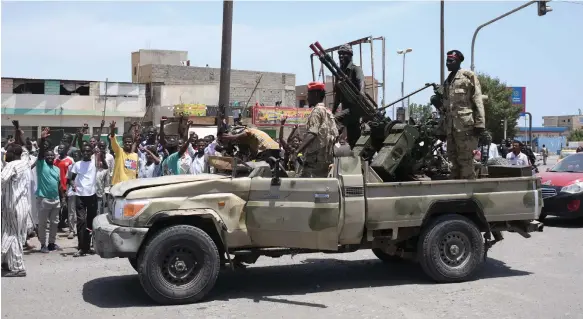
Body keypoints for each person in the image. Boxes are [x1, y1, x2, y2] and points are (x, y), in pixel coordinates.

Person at [441, 49, 485, 180]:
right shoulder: (447, 81)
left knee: (465, 160)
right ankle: (456, 190)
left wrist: (480, 123)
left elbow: (477, 99)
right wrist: (441, 128)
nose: (448, 63)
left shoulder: (467, 76)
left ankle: (468, 191)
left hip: (465, 127)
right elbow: (445, 108)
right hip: (451, 128)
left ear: (458, 61)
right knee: (452, 160)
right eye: (447, 61)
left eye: (451, 61)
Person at [295, 81, 339, 177]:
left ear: (315, 94)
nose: (307, 97)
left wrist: (297, 151)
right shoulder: (328, 112)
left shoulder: (316, 112)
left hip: (314, 160)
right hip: (326, 159)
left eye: (309, 94)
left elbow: (312, 133)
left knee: (302, 187)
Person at [1, 144, 31, 277]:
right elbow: (25, 151)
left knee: (11, 235)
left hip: (13, 205)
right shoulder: (25, 163)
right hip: (23, 205)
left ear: (13, 153)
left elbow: (1, 179)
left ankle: (18, 267)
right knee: (14, 234)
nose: (5, 154)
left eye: (7, 152)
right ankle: (9, 262)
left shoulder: (12, 165)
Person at [331, 44, 365, 149]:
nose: (341, 56)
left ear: (350, 55)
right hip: (348, 110)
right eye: (339, 54)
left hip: (355, 108)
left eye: (344, 54)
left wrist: (361, 93)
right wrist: (332, 112)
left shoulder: (355, 69)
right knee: (354, 140)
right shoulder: (339, 73)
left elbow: (361, 83)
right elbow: (338, 95)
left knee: (335, 121)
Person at [69, 144, 100, 257]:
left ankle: (88, 247)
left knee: (90, 222)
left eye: (88, 151)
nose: (86, 153)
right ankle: (81, 247)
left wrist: (98, 154)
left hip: (92, 195)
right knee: (81, 221)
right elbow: (70, 179)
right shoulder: (77, 165)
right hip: (80, 195)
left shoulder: (94, 163)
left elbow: (104, 166)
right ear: (81, 152)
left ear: (91, 153)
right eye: (84, 151)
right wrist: (73, 185)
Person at [35, 128, 63, 253]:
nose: (50, 157)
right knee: (42, 224)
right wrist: (43, 139)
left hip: (55, 200)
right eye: (48, 155)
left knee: (54, 223)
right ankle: (43, 245)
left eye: (52, 155)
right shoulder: (41, 165)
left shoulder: (57, 169)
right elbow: (41, 153)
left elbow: (58, 185)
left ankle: (52, 243)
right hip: (43, 199)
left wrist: (62, 199)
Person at [108, 121, 138, 185]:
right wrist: (112, 130)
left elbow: (135, 172)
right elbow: (113, 140)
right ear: (123, 143)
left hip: (130, 187)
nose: (127, 143)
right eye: (126, 142)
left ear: (132, 143)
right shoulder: (119, 151)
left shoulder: (135, 156)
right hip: (118, 185)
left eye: (129, 142)